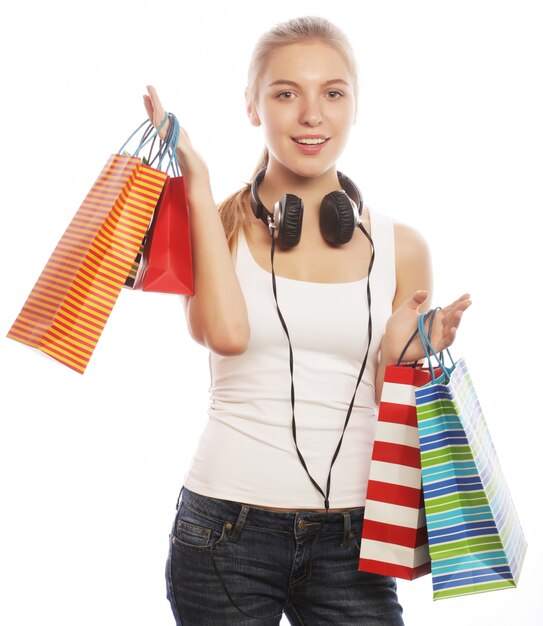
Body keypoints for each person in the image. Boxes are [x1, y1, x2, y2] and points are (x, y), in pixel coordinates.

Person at [143, 15, 471, 626]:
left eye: (333, 93)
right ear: (252, 106)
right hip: (225, 530)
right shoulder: (214, 226)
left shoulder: (403, 248)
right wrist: (197, 184)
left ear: (354, 106)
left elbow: (387, 414)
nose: (311, 114)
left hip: (354, 538)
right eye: (286, 93)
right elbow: (227, 335)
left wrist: (399, 359)